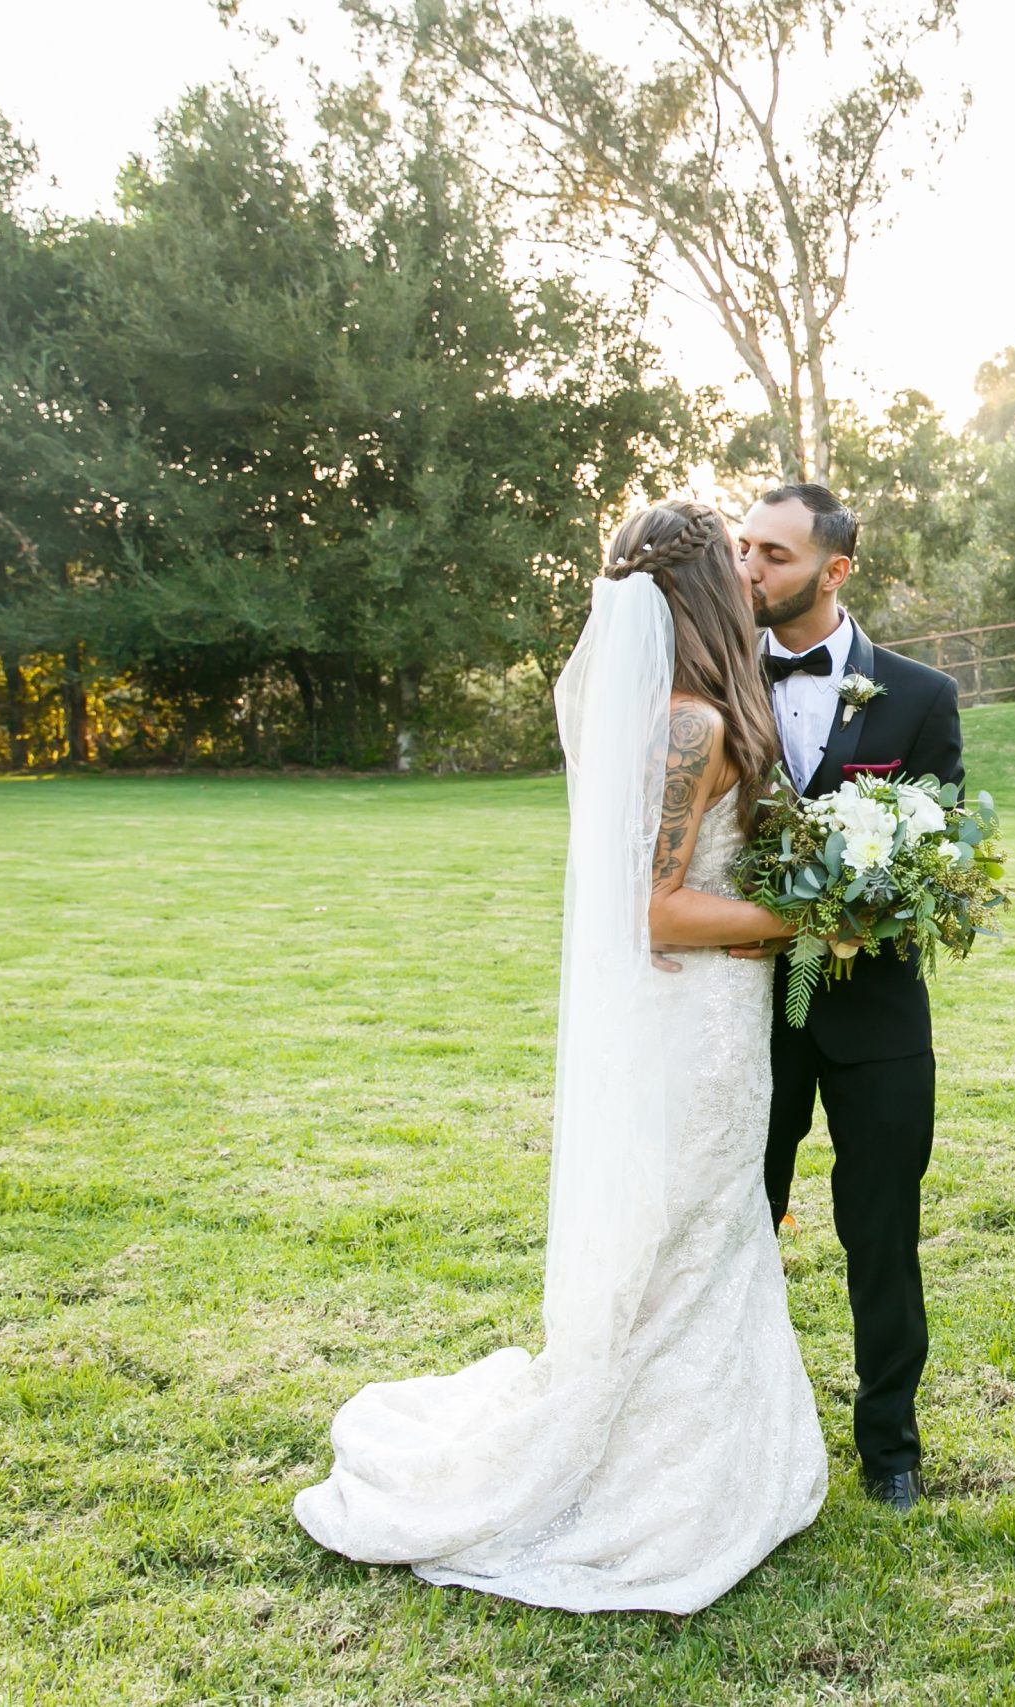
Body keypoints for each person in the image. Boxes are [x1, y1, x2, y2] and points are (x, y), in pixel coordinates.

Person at [293, 500, 827, 1613]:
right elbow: (655, 909)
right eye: (729, 555)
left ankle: (710, 1457)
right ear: (696, 590)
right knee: (683, 1234)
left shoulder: (693, 707)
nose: (745, 569)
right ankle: (652, 1478)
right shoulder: (685, 724)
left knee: (711, 1229)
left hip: (720, 1023)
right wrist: (805, 921)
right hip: (698, 1022)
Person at [734, 483, 962, 1515]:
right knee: (737, 1225)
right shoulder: (711, 681)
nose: (750, 572)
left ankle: (890, 1450)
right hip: (737, 1015)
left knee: (882, 1232)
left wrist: (860, 906)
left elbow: (942, 853)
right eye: (743, 550)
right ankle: (733, 1432)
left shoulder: (918, 698)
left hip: (877, 1019)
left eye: (773, 556)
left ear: (835, 570)